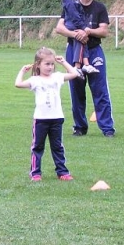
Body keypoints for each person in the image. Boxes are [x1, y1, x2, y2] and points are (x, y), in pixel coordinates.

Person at [54, 0, 116, 137]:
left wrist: (88, 31)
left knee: (100, 90)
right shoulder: (70, 4)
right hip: (73, 49)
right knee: (76, 90)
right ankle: (80, 127)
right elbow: (59, 28)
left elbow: (104, 31)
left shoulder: (100, 8)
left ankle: (107, 128)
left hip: (94, 50)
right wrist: (76, 35)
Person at [15, 47, 82, 181]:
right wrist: (22, 71)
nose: (50, 67)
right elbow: (18, 84)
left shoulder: (57, 77)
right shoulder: (35, 80)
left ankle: (62, 172)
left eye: (52, 64)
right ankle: (35, 173)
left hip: (57, 118)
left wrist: (64, 62)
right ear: (38, 65)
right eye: (47, 64)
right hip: (41, 119)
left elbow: (74, 74)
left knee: (57, 147)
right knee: (38, 147)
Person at [60, 0, 98, 76]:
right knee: (80, 40)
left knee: (83, 42)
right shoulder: (69, 1)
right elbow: (75, 17)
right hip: (73, 25)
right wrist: (83, 27)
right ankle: (77, 66)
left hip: (76, 24)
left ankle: (86, 64)